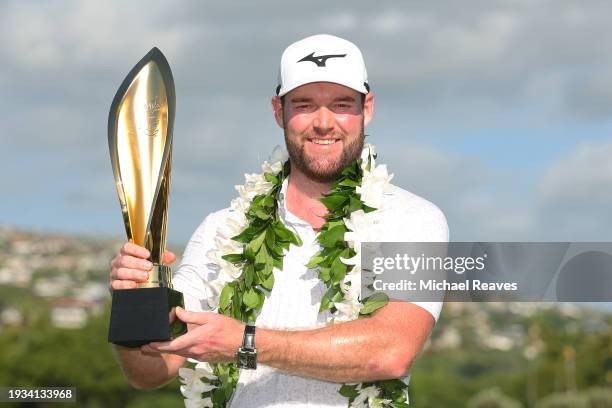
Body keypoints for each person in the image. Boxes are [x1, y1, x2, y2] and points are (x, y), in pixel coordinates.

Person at [109, 34, 448, 407]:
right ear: (278, 110)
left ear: (366, 108)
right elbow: (150, 372)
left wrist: (245, 342)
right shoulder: (221, 230)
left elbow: (390, 351)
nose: (323, 122)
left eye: (341, 104)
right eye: (304, 104)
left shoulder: (415, 220)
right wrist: (135, 302)